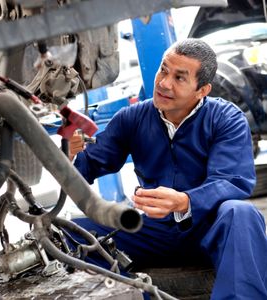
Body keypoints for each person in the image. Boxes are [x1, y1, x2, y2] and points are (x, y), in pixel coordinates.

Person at [68, 38, 267, 299]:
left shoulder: (226, 119)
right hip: (153, 230)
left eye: (179, 78)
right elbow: (87, 167)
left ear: (202, 90)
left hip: (206, 226)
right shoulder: (132, 118)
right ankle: (137, 294)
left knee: (241, 213)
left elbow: (232, 181)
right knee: (68, 233)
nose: (163, 83)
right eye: (164, 70)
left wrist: (185, 201)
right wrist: (73, 153)